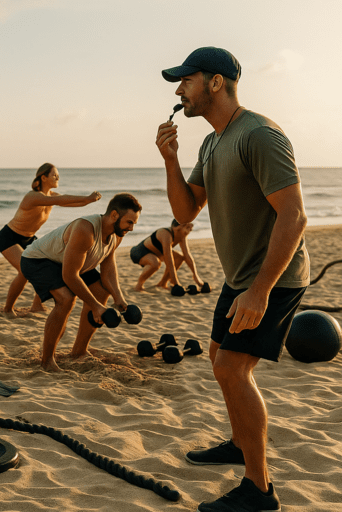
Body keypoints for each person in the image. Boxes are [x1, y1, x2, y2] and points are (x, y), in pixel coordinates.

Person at [156, 47, 309, 512]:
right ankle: (241, 442)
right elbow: (186, 213)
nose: (179, 89)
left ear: (215, 82)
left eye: (186, 80)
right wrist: (169, 159)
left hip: (273, 277)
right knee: (220, 354)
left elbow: (295, 216)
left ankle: (260, 490)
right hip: (241, 274)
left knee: (231, 368)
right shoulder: (212, 142)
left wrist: (260, 291)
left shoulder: (257, 134)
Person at [20, 193, 141, 371]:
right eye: (129, 222)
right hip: (38, 260)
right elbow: (70, 276)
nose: (131, 228)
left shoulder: (116, 234)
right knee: (66, 299)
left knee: (102, 290)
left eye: (134, 224)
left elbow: (108, 270)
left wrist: (119, 298)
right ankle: (47, 361)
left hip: (73, 265)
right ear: (114, 215)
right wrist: (96, 306)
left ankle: (78, 351)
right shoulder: (86, 230)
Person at [0, 163, 102, 314]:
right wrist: (86, 197)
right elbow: (63, 200)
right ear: (44, 177)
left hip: (30, 239)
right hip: (10, 237)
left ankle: (36, 305)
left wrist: (87, 201)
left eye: (58, 175)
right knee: (24, 271)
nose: (58, 177)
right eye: (54, 175)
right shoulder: (33, 196)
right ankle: (8, 309)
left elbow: (69, 202)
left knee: (47, 265)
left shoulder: (51, 196)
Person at [129, 219, 205, 292]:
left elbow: (187, 255)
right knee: (155, 263)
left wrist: (195, 275)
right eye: (187, 227)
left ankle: (163, 283)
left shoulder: (181, 236)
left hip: (156, 253)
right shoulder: (166, 233)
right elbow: (169, 259)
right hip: (139, 252)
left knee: (179, 257)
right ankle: (139, 285)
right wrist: (176, 283)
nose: (190, 230)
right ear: (178, 227)